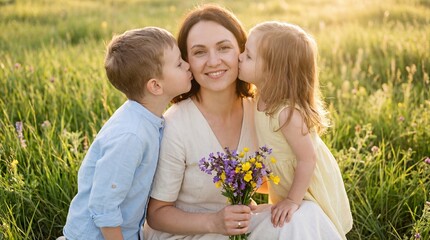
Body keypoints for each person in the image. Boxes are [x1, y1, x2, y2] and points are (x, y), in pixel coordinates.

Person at [144, 4, 343, 240]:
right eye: (199, 52)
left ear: (241, 50)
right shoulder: (176, 125)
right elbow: (156, 215)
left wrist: (281, 198)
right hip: (191, 234)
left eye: (223, 47)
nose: (214, 61)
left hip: (238, 227)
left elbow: (274, 175)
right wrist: (214, 221)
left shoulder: (262, 111)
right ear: (186, 61)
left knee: (305, 213)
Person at [61, 27, 192, 240]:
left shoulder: (146, 118)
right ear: (156, 86)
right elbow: (104, 206)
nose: (187, 65)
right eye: (179, 63)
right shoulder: (131, 136)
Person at [238, 21, 353, 239]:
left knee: (307, 222)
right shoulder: (258, 98)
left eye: (249, 55)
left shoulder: (287, 113)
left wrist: (292, 200)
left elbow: (307, 159)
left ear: (272, 72)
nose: (240, 56)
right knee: (284, 220)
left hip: (307, 184)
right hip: (289, 182)